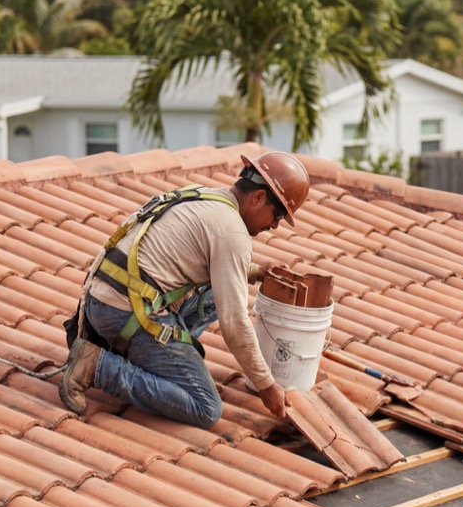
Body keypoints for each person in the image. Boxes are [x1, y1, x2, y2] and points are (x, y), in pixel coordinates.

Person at [60, 151, 310, 428]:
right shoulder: (233, 233)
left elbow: (193, 263)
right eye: (276, 216)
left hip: (104, 299)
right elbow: (235, 323)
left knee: (217, 295)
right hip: (124, 313)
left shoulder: (204, 196)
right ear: (259, 197)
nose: (273, 226)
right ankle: (98, 368)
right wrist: (266, 385)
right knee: (205, 406)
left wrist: (254, 272)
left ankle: (154, 360)